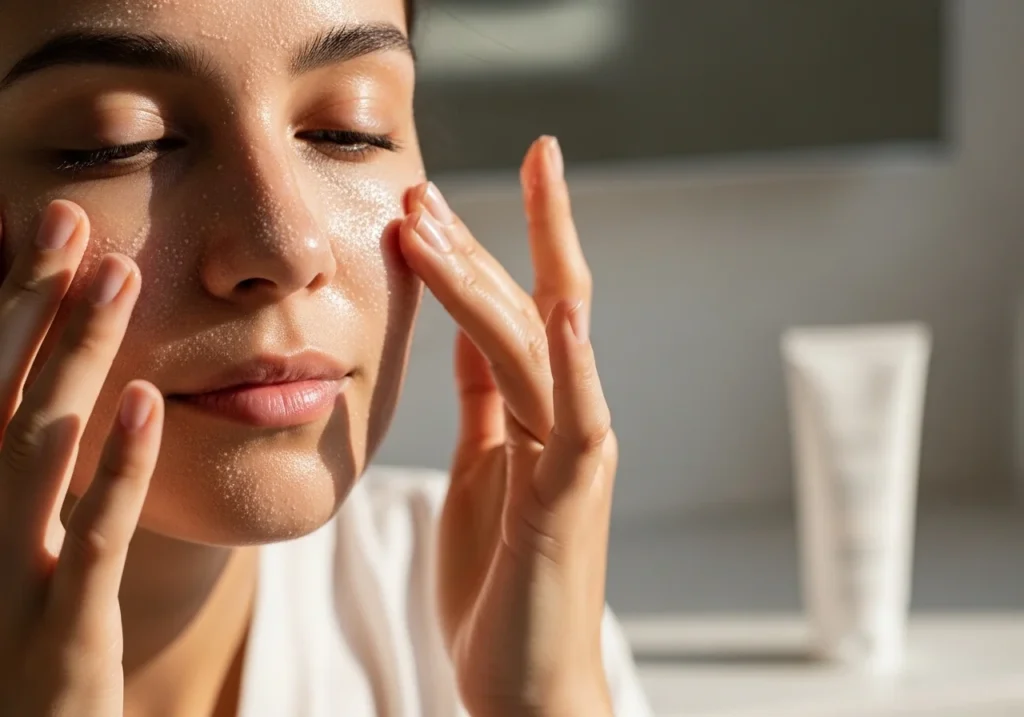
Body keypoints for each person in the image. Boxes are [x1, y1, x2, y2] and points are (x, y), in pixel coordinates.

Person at [0, 0, 652, 715]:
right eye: (118, 142)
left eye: (352, 128)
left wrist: (547, 701)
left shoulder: (470, 589)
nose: (287, 246)